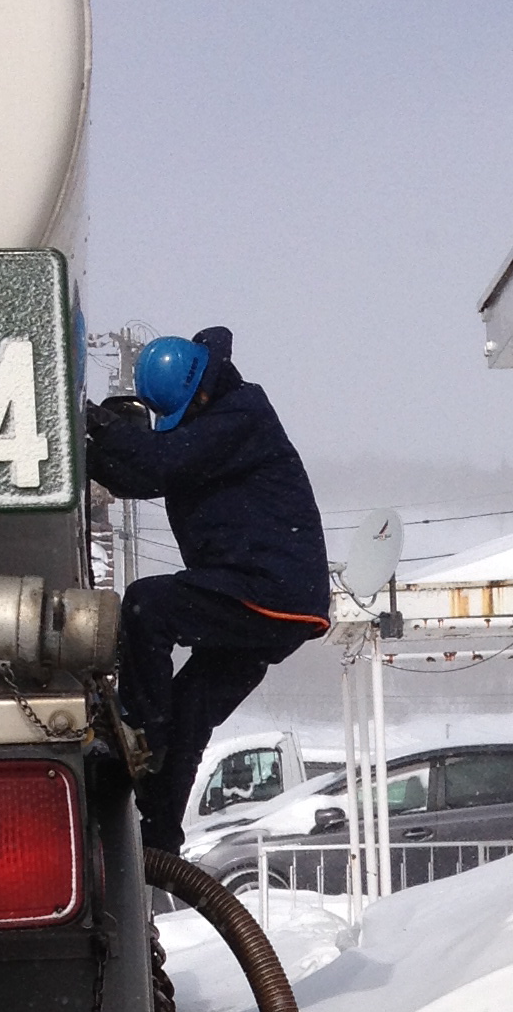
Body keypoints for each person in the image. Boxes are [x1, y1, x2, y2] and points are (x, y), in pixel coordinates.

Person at [85, 326, 331, 854]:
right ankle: (159, 835)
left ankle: (139, 731)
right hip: (264, 599)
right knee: (190, 710)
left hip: (270, 590)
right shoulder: (213, 427)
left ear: (198, 393)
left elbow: (161, 463)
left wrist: (97, 426)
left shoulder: (241, 416)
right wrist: (94, 449)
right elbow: (142, 476)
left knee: (149, 606)